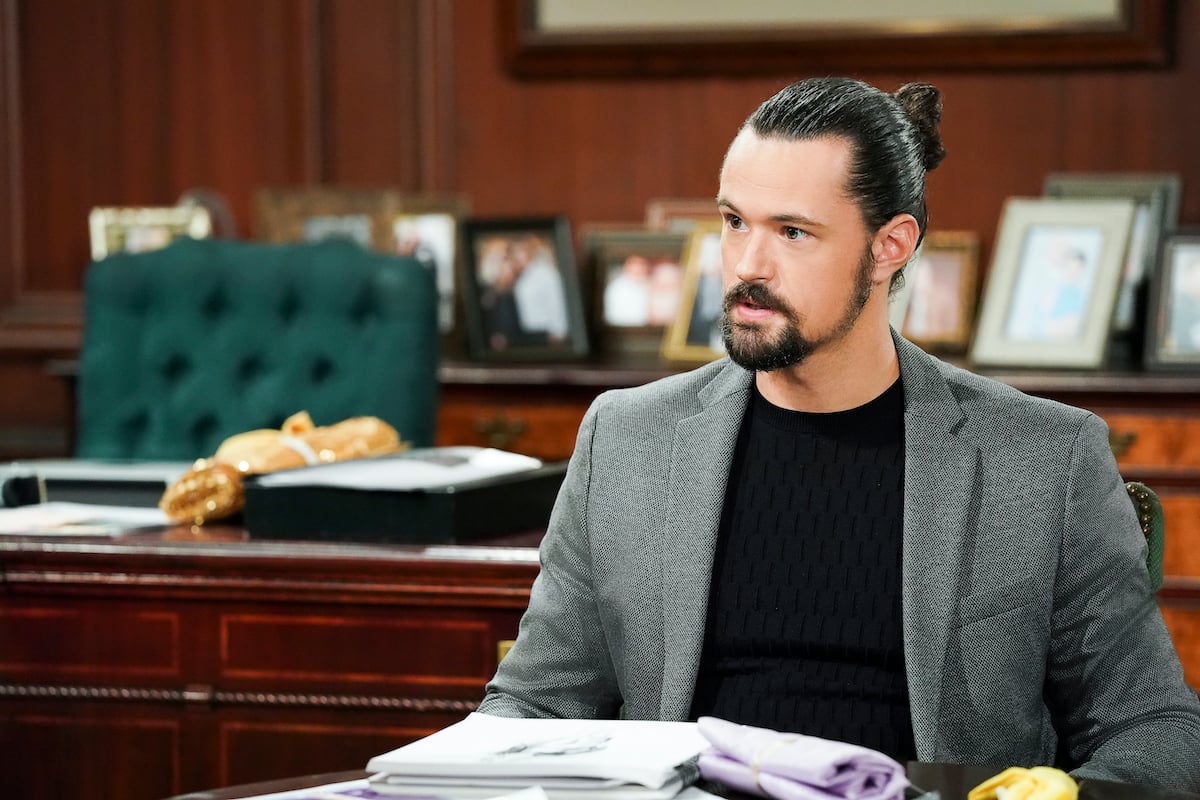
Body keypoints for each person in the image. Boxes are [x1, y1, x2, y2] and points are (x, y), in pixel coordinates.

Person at [477, 77, 1200, 790]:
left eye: (793, 232)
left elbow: (1156, 728)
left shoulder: (1045, 459)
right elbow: (534, 706)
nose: (747, 266)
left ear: (890, 246)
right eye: (734, 222)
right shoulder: (626, 439)